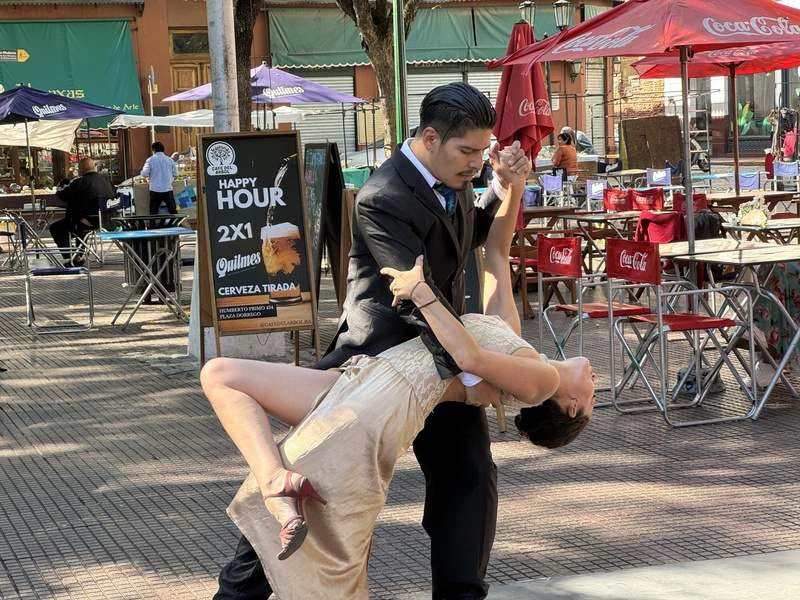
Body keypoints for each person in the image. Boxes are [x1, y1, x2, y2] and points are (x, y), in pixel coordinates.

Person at [200, 145, 594, 598]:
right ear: (434, 140)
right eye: (468, 149)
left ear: (566, 406)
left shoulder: (533, 381)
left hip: (378, 395)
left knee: (465, 482)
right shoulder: (519, 349)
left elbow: (467, 358)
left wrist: (421, 293)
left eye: (591, 399)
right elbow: (497, 254)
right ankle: (264, 511)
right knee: (235, 393)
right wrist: (513, 184)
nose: (595, 382)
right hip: (364, 366)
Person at [50, 157, 114, 267]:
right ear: (94, 167)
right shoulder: (106, 181)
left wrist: (61, 187)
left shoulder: (80, 182)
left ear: (81, 169)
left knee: (56, 228)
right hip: (106, 220)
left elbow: (63, 195)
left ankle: (70, 257)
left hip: (87, 221)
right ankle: (78, 255)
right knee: (80, 224)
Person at [141, 141, 178, 215]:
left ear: (153, 150)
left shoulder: (150, 160)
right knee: (173, 211)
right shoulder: (170, 160)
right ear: (163, 149)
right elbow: (176, 174)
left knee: (153, 212)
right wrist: (170, 180)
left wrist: (148, 177)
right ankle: (175, 224)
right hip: (167, 188)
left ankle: (153, 225)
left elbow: (144, 174)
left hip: (155, 189)